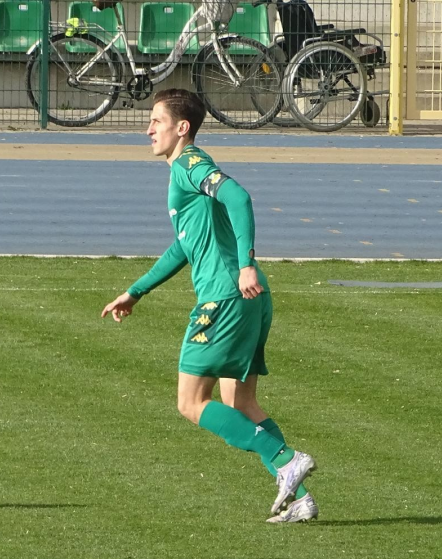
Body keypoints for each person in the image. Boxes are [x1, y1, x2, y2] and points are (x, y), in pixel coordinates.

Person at [100, 88, 317, 523]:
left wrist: (246, 264)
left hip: (225, 298)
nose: (148, 130)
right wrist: (136, 291)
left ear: (182, 128)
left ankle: (288, 460)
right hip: (251, 298)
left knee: (190, 402)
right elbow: (184, 247)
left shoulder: (189, 163)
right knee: (241, 404)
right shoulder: (185, 173)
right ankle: (300, 499)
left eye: (156, 122)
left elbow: (238, 197)